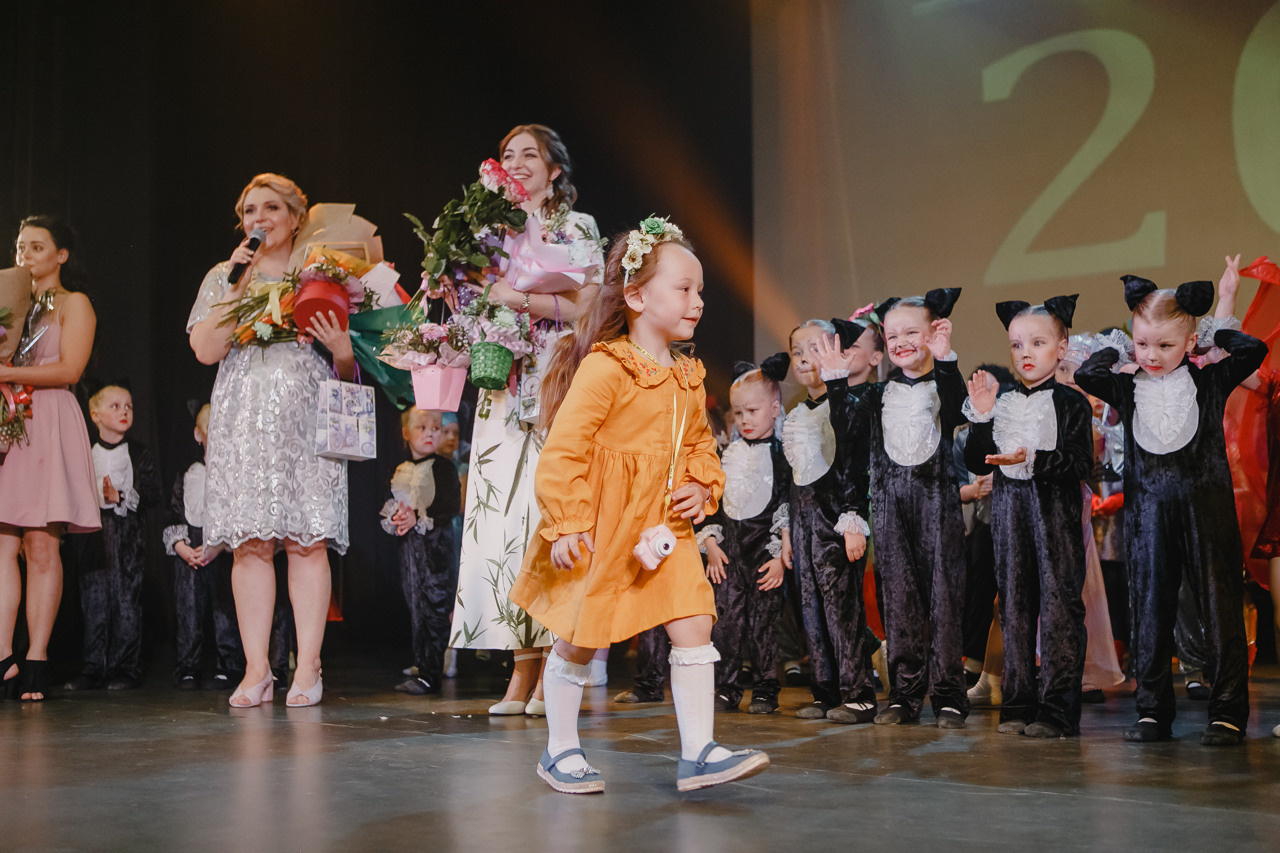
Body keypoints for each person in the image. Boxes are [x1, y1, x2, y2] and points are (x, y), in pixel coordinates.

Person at [508, 217, 768, 794]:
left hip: (663, 526)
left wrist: (702, 486)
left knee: (695, 620)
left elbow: (701, 444)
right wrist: (570, 522)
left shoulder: (687, 376)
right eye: (684, 289)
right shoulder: (607, 367)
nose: (697, 301)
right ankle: (560, 749)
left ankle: (699, 751)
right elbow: (563, 452)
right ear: (635, 296)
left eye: (700, 291)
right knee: (580, 633)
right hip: (602, 524)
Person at [448, 124, 604, 716]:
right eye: (507, 154)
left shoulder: (576, 227)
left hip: (555, 379)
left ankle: (556, 672)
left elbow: (591, 303)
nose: (516, 163)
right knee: (503, 523)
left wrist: (523, 301)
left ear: (554, 169)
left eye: (528, 155)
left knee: (549, 516)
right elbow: (472, 301)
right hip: (501, 386)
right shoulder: (490, 231)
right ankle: (520, 670)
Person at [1075, 276, 1266, 744]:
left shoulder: (1210, 378)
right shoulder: (1126, 386)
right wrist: (1119, 351)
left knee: (1218, 608)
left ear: (1188, 342)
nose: (1152, 355)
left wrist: (1215, 333)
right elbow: (1086, 376)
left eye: (1165, 344)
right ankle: (1153, 712)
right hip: (1148, 518)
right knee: (1150, 610)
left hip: (1207, 512)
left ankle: (1226, 712)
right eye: (1142, 342)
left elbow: (1253, 352)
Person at [188, 173, 355, 708]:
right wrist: (236, 284)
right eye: (249, 212)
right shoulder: (224, 273)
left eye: (270, 209)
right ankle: (256, 669)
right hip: (244, 415)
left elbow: (354, 361)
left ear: (295, 218)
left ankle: (308, 666)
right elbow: (205, 350)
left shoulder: (323, 270)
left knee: (307, 540)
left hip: (306, 412)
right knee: (250, 543)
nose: (258, 219)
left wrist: (342, 347)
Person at [837, 290, 969, 728]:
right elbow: (848, 431)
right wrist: (837, 382)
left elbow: (956, 412)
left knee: (944, 600)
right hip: (891, 512)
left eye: (912, 332)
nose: (901, 341)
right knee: (899, 602)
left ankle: (950, 695)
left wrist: (947, 360)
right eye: (893, 335)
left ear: (934, 334)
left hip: (938, 508)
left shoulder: (945, 381)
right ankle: (905, 696)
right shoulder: (878, 394)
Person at [963, 297, 1093, 738]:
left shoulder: (1071, 403)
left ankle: (1058, 709)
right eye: (1017, 345)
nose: (1025, 353)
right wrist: (981, 416)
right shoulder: (1002, 402)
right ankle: (1018, 703)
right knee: (1015, 610)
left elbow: (1080, 462)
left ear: (1061, 347)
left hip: (1055, 521)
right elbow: (978, 462)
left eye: (1037, 342)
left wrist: (1033, 458)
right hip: (1009, 519)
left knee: (1059, 611)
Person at [0, 215, 99, 701]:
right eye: (20, 248)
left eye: (37, 247)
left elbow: (70, 368)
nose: (26, 256)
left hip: (48, 420)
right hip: (6, 417)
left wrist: (8, 369)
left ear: (61, 255)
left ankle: (36, 657)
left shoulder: (73, 303)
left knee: (41, 546)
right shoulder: (6, 303)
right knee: (0, 544)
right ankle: (2, 659)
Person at [787, 317, 883, 724]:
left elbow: (856, 465)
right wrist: (788, 532)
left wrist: (853, 519)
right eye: (797, 352)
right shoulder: (795, 412)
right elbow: (794, 477)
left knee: (842, 608)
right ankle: (826, 691)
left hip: (838, 519)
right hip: (804, 520)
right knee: (812, 607)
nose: (805, 358)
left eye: (815, 348)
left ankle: (859, 692)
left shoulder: (848, 403)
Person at [701, 355, 791, 715]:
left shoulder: (784, 456)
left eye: (752, 411)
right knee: (726, 622)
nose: (744, 420)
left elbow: (788, 506)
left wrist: (779, 558)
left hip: (764, 554)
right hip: (730, 553)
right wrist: (709, 543)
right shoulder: (726, 454)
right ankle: (726, 686)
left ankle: (767, 687)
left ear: (774, 409)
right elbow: (714, 505)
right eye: (738, 413)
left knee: (764, 626)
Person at [66, 385, 161, 691]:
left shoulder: (139, 452)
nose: (124, 411)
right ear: (95, 415)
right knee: (93, 601)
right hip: (92, 536)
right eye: (115, 406)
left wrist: (119, 495)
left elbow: (151, 494)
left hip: (127, 538)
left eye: (129, 406)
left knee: (126, 602)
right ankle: (93, 667)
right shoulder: (84, 451)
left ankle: (125, 668)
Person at [163, 403, 244, 690]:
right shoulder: (189, 473)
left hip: (222, 548)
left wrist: (220, 545)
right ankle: (188, 666)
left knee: (226, 608)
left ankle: (229, 666)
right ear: (199, 434)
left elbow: (240, 514)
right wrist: (181, 546)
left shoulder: (237, 474)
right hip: (191, 547)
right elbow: (174, 511)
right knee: (189, 609)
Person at [380, 409, 461, 694]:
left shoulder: (444, 468)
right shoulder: (400, 467)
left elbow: (449, 506)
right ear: (406, 432)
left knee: (435, 608)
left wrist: (419, 515)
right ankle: (423, 663)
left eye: (435, 428)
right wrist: (397, 518)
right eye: (422, 427)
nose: (430, 433)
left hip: (436, 552)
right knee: (416, 607)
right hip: (409, 553)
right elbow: (389, 503)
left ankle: (431, 671)